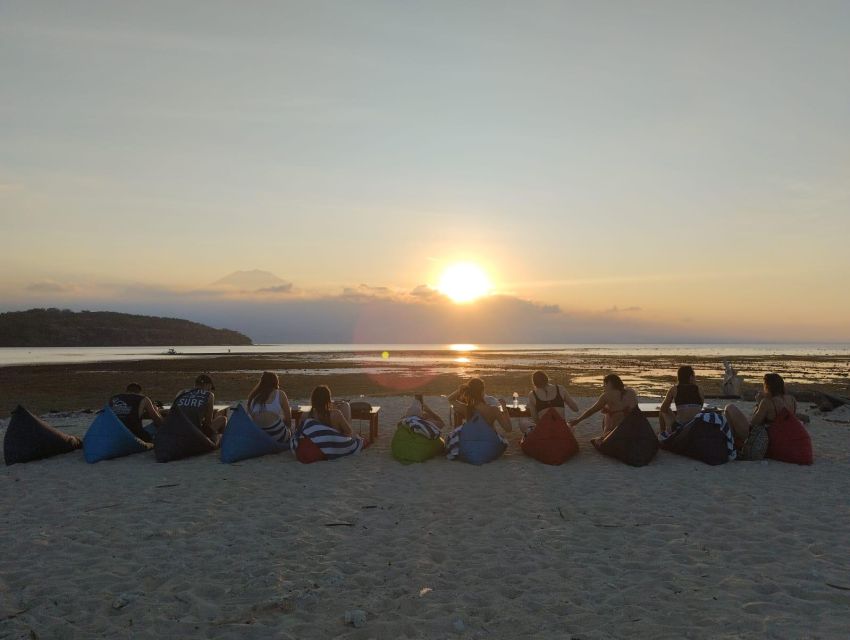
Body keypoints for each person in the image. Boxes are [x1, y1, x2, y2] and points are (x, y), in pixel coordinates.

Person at [724, 373, 795, 459]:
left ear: (768, 386)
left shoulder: (767, 402)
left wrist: (759, 403)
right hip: (781, 437)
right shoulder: (791, 400)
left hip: (764, 439)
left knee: (729, 408)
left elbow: (754, 424)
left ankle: (731, 445)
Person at [569, 374, 637, 433]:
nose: (603, 387)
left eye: (604, 384)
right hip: (634, 427)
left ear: (609, 384)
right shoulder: (631, 391)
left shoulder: (607, 395)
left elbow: (592, 411)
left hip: (617, 430)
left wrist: (578, 420)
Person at [171, 374, 227, 440]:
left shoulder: (181, 392)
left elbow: (172, 412)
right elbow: (207, 423)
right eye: (210, 388)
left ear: (195, 385)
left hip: (174, 429)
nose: (210, 390)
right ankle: (218, 441)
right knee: (223, 419)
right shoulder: (209, 395)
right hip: (194, 434)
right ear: (208, 385)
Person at [246, 371, 293, 444]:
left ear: (261, 382)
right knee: (289, 432)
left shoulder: (254, 397)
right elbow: (288, 420)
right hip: (277, 435)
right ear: (276, 382)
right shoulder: (280, 394)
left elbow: (251, 417)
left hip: (259, 435)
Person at [658, 365, 704, 434]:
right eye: (694, 376)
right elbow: (700, 406)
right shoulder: (699, 389)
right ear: (690, 377)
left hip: (680, 427)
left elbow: (663, 408)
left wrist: (672, 414)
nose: (695, 378)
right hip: (696, 426)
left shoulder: (674, 389)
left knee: (661, 412)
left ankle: (663, 433)